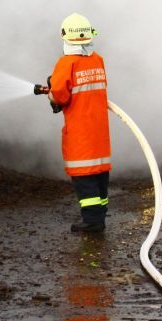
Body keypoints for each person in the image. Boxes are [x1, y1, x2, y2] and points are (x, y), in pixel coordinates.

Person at [46, 12, 112, 234]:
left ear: (65, 36)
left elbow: (59, 95)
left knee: (84, 176)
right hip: (99, 131)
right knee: (100, 174)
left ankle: (92, 221)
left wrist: (52, 95)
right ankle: (99, 216)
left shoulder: (67, 62)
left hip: (80, 131)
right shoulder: (97, 59)